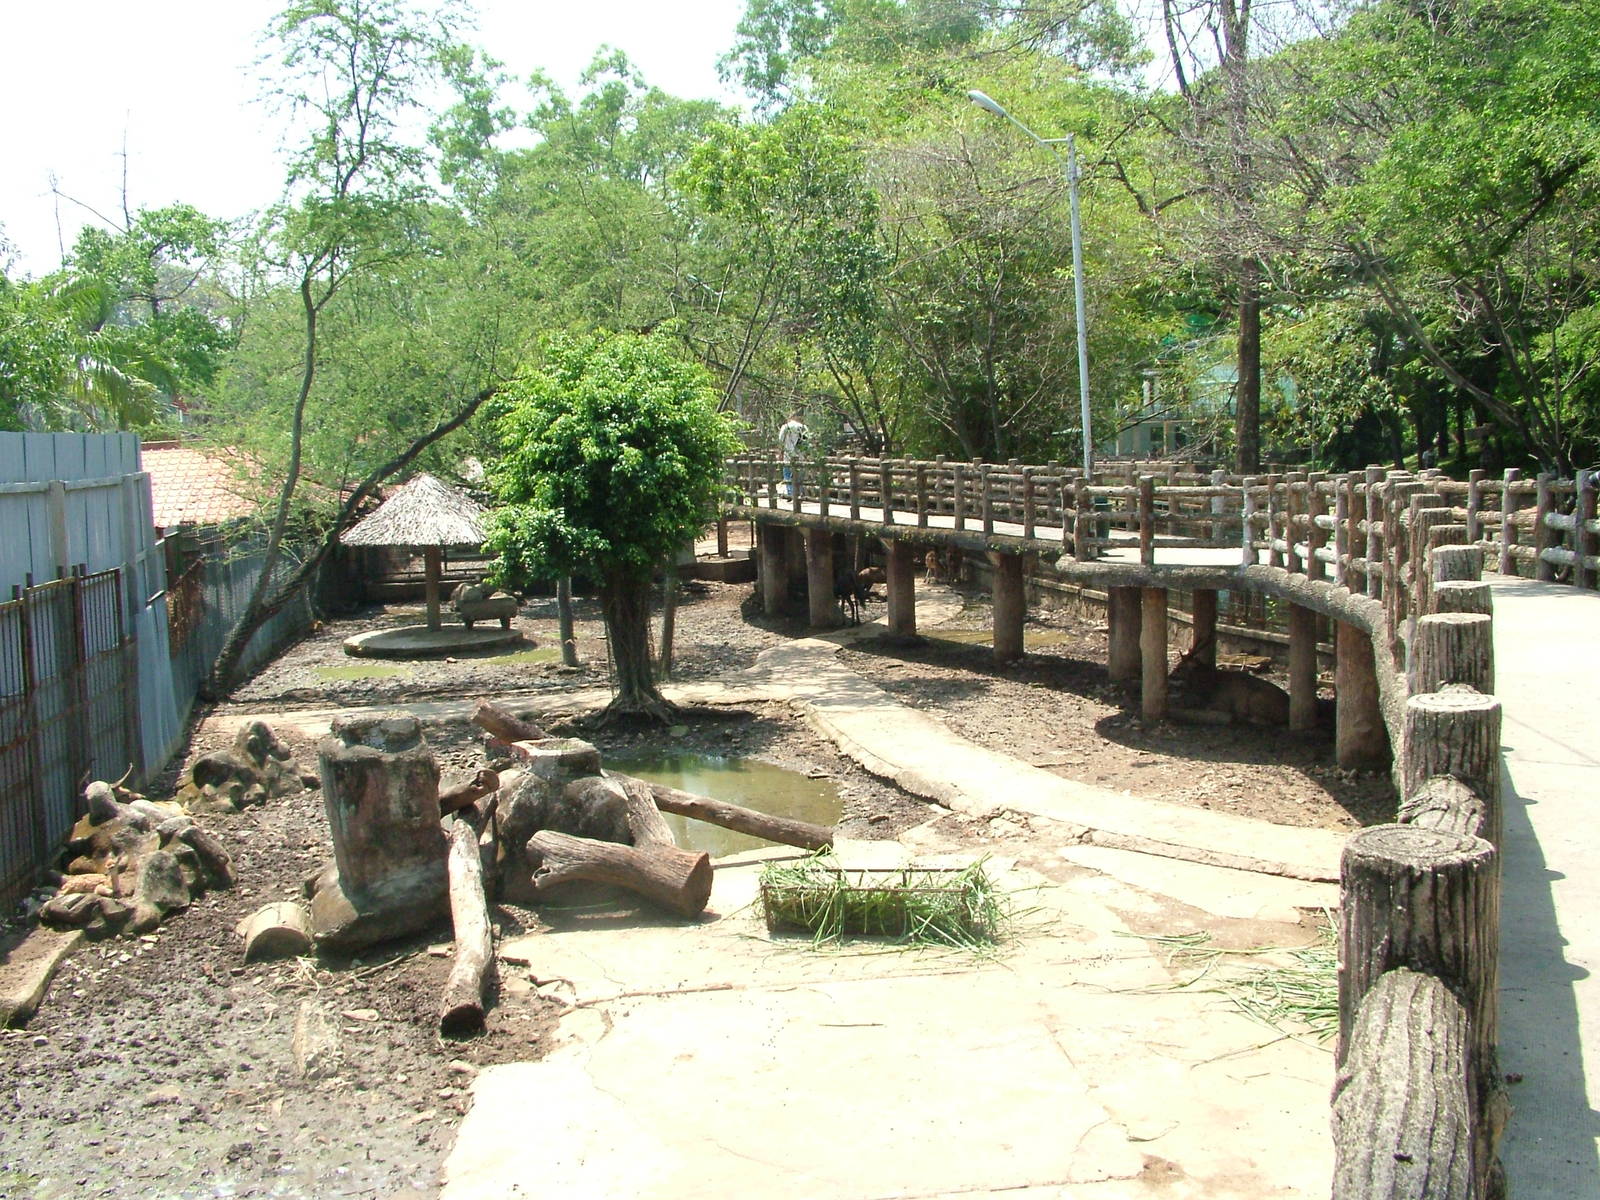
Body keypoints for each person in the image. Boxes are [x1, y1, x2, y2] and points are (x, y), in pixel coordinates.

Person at [778, 412, 808, 498]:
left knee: (787, 474)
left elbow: (781, 441)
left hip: (788, 454)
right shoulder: (803, 427)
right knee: (800, 475)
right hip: (800, 455)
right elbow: (807, 442)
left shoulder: (785, 427)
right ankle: (800, 492)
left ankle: (791, 494)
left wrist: (780, 453)